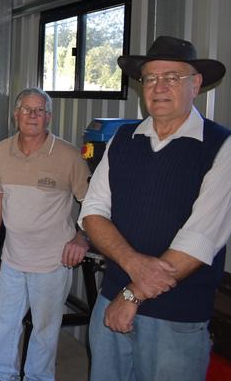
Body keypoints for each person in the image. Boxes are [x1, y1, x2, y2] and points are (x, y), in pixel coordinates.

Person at [80, 36, 231, 381]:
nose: (159, 86)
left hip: (177, 318)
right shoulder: (122, 139)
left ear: (195, 84)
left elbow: (200, 239)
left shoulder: (222, 147)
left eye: (172, 77)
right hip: (110, 302)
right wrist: (131, 268)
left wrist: (132, 295)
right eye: (150, 78)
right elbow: (92, 211)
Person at [0, 87, 91, 381]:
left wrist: (82, 237)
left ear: (49, 117)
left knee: (45, 328)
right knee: (6, 323)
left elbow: (93, 204)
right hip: (13, 258)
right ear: (16, 114)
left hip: (53, 262)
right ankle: (2, 374)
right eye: (26, 109)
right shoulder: (1, 150)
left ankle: (37, 377)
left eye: (39, 110)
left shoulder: (68, 156)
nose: (32, 115)